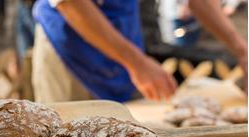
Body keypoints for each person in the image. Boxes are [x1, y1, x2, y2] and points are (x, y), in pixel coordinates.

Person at [32, 0, 247, 103]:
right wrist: (137, 63)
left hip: (124, 38)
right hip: (69, 44)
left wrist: (242, 51)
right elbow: (70, 4)